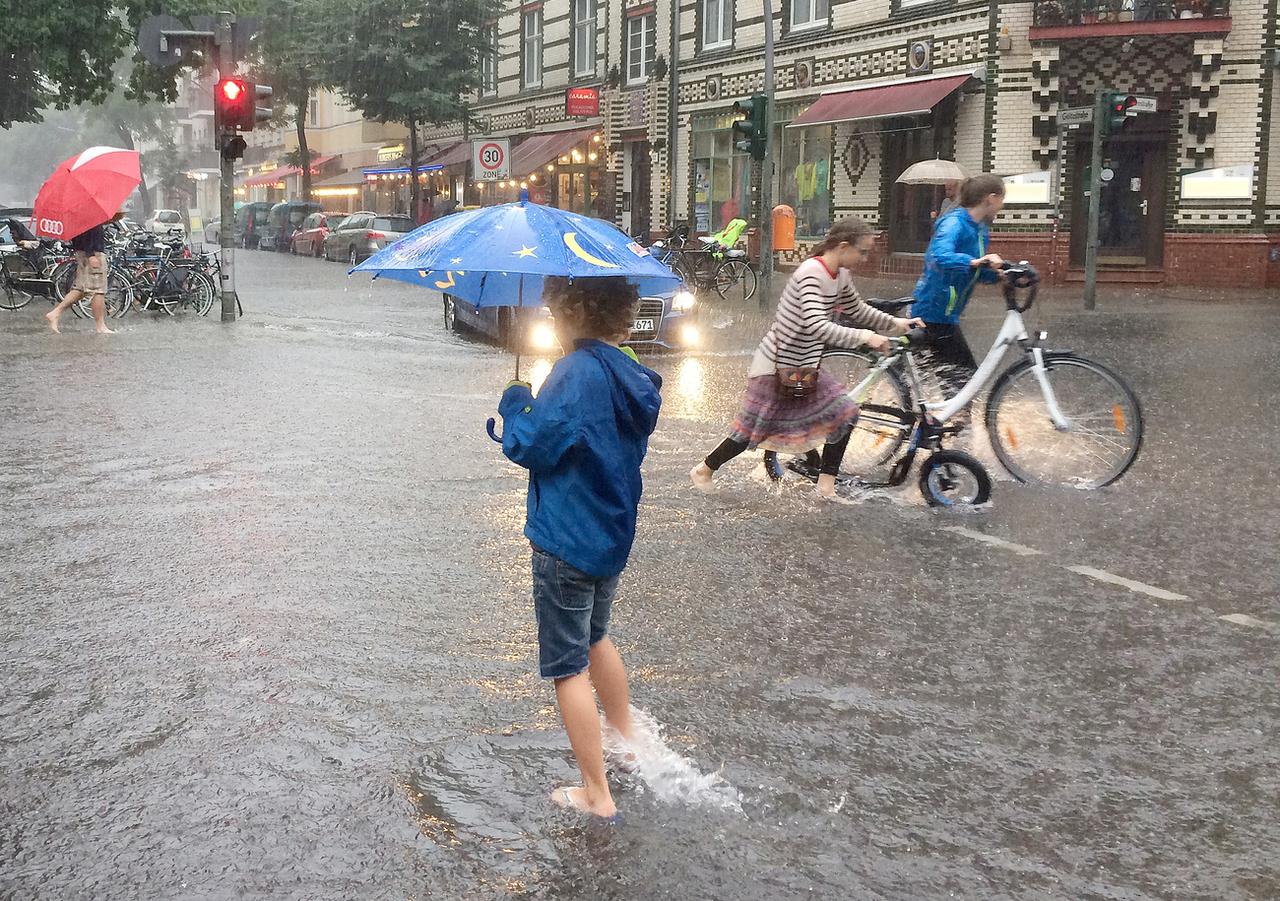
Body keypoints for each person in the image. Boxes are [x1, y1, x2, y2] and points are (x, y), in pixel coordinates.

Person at [496, 276, 662, 821]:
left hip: (566, 537)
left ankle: (597, 791)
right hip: (610, 532)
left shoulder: (572, 374)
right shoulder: (628, 371)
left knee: (567, 665)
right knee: (596, 637)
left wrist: (518, 403)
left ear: (570, 312)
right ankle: (626, 741)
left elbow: (535, 446)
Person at [690, 217, 922, 498]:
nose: (864, 258)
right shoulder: (812, 273)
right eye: (862, 251)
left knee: (844, 414)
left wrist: (896, 324)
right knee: (753, 429)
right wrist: (866, 337)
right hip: (775, 367)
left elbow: (858, 310)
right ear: (843, 245)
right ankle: (704, 469)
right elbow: (816, 325)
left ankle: (825, 487)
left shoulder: (841, 275)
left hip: (802, 367)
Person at [910, 174, 1008, 401]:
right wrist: (974, 261)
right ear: (991, 198)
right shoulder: (954, 222)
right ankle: (951, 432)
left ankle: (943, 429)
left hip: (948, 314)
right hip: (932, 312)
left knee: (954, 381)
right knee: (961, 382)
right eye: (1002, 199)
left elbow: (975, 271)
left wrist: (1000, 276)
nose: (1003, 206)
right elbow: (940, 256)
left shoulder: (980, 229)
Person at [45, 212, 123, 334]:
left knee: (81, 289)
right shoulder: (88, 213)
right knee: (99, 290)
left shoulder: (81, 212)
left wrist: (111, 219)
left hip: (83, 252)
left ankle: (55, 313)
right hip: (93, 253)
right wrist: (91, 255)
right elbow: (87, 233)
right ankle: (100, 326)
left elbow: (92, 229)